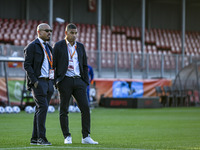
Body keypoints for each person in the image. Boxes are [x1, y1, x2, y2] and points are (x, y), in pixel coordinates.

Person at [53, 23, 98, 144]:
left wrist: (85, 82)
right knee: (64, 110)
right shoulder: (58, 46)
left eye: (75, 33)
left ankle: (86, 136)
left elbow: (84, 65)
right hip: (65, 81)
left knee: (85, 109)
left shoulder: (81, 47)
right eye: (72, 33)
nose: (74, 35)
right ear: (66, 33)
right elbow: (54, 65)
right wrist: (57, 81)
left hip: (79, 81)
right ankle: (67, 136)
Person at [24, 23, 54, 146]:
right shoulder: (32, 46)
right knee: (42, 108)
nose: (49, 33)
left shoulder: (49, 47)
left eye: (50, 31)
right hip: (39, 82)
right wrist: (35, 81)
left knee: (40, 110)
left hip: (48, 82)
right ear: (39, 32)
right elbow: (27, 65)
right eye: (47, 30)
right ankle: (42, 138)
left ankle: (34, 138)